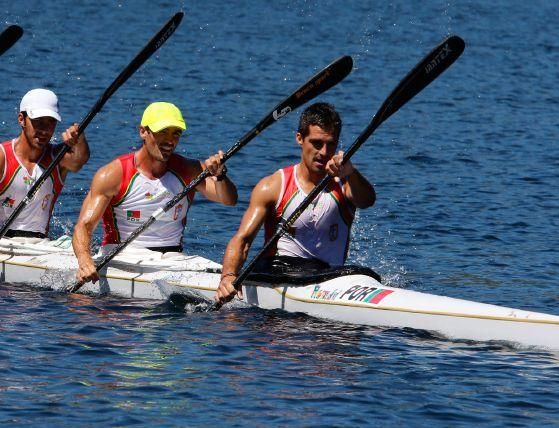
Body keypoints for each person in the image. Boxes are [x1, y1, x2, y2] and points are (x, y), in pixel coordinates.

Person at [216, 102, 376, 303]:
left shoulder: (345, 183)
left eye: (331, 144)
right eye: (317, 143)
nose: (324, 152)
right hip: (281, 274)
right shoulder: (274, 186)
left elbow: (367, 200)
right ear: (299, 138)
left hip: (331, 281)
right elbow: (243, 239)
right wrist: (228, 277)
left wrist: (351, 173)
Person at [73, 102, 238, 284]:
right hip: (122, 258)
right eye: (162, 132)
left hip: (173, 260)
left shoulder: (189, 170)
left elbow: (229, 200)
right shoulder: (112, 174)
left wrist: (221, 176)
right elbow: (84, 226)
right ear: (143, 131)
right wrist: (85, 261)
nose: (170, 140)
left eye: (176, 133)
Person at [0, 88, 89, 269]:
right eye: (38, 122)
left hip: (40, 248)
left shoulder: (58, 158)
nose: (45, 130)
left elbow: (79, 160)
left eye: (50, 123)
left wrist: (80, 137)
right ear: (21, 119)